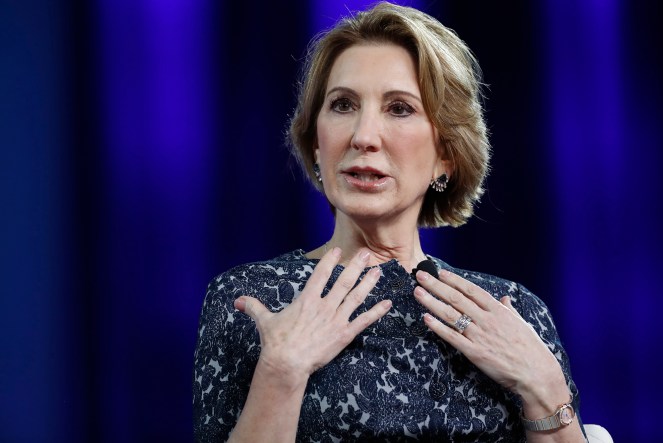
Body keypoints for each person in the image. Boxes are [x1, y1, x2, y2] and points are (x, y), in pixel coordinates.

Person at [193, 2, 586, 442]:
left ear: (446, 155)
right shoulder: (252, 301)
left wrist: (546, 388)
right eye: (342, 105)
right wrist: (281, 373)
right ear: (316, 146)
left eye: (399, 108)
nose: (363, 136)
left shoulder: (514, 311)